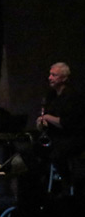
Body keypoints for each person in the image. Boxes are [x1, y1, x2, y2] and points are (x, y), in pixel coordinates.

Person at [36, 62, 84, 193]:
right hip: (55, 136)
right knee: (34, 151)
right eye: (50, 74)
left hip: (71, 137)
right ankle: (42, 186)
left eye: (54, 75)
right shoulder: (51, 96)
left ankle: (67, 184)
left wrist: (47, 118)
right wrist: (41, 122)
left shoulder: (72, 96)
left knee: (57, 154)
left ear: (64, 78)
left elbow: (66, 123)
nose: (50, 78)